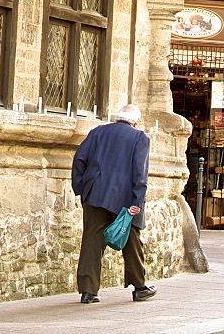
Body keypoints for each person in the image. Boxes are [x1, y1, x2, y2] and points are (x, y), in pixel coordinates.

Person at [71, 103, 156, 304]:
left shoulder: (97, 132)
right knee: (130, 239)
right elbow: (140, 174)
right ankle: (139, 287)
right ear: (135, 121)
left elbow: (79, 160)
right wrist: (137, 202)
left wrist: (82, 189)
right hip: (124, 199)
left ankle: (88, 291)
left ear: (118, 117)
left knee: (92, 240)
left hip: (95, 194)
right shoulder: (139, 138)